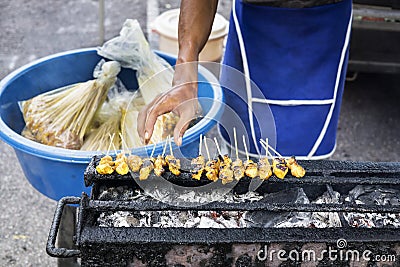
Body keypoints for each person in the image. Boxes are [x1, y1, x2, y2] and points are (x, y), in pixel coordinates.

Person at [138, 0, 353, 159]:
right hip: (252, 31)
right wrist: (185, 71)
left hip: (325, 34)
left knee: (309, 168)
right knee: (239, 158)